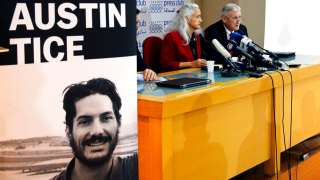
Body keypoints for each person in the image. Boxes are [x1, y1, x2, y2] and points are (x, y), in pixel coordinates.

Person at [50, 78, 138, 180]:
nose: (97, 131)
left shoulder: (138, 169)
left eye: (106, 118)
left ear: (118, 124)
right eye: (84, 122)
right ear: (69, 133)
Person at [161, 3, 207, 72]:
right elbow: (165, 64)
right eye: (197, 17)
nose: (201, 20)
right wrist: (191, 64)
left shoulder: (196, 37)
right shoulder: (172, 37)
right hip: (176, 78)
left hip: (194, 76)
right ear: (187, 19)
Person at [136, 9, 159, 81]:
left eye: (138, 22)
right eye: (136, 22)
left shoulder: (130, 40)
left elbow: (141, 64)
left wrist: (148, 71)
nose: (138, 25)